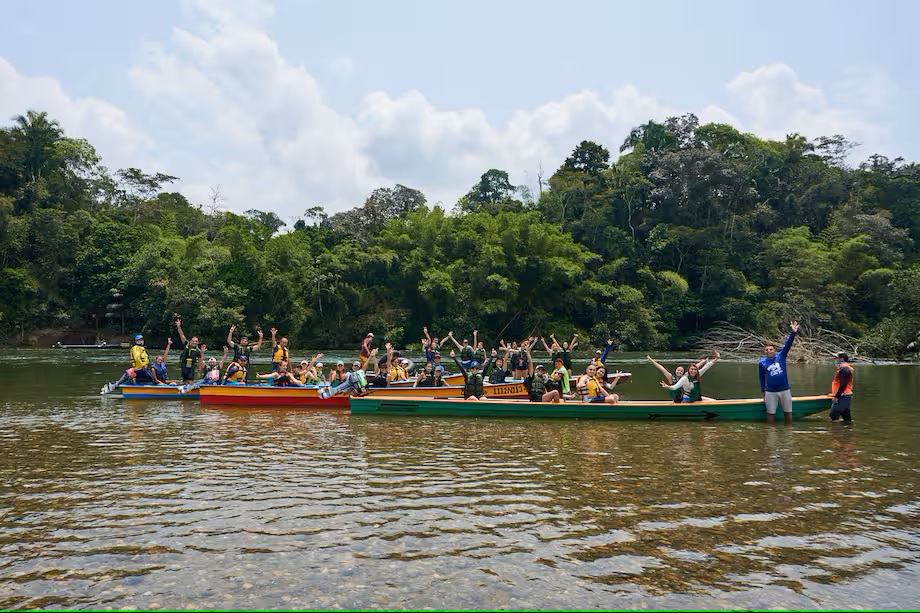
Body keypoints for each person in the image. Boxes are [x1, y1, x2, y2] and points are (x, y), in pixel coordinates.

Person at [758, 321, 799, 424]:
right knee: (770, 413)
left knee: (787, 412)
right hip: (770, 391)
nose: (769, 351)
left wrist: (793, 332)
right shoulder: (762, 362)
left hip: (784, 389)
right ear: (764, 351)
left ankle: (788, 430)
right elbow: (761, 377)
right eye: (767, 350)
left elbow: (788, 344)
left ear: (774, 350)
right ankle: (771, 431)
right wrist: (763, 390)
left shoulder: (781, 355)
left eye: (771, 349)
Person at [648, 353, 713, 402]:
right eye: (678, 370)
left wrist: (702, 362)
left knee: (705, 399)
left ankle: (714, 402)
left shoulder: (684, 377)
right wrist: (651, 360)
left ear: (683, 372)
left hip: (685, 397)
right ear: (675, 371)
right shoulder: (670, 377)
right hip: (677, 399)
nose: (679, 372)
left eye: (681, 371)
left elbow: (694, 368)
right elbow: (662, 368)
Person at [175, 318, 204, 383]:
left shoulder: (198, 351)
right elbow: (181, 334)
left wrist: (199, 372)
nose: (194, 342)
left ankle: (189, 386)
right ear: (190, 341)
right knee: (185, 380)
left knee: (190, 380)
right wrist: (179, 326)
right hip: (184, 365)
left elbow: (200, 362)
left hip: (191, 367)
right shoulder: (186, 344)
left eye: (196, 341)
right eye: (193, 341)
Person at [829, 352, 854, 422]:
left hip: (843, 395)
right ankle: (847, 427)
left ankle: (836, 428)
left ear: (842, 358)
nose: (835, 360)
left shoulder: (844, 369)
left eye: (836, 358)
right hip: (843, 394)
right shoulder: (842, 368)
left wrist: (837, 396)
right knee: (846, 417)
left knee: (834, 414)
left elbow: (843, 384)